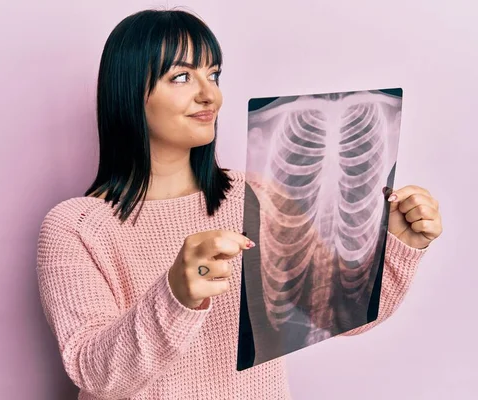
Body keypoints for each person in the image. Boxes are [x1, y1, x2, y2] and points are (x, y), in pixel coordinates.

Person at [36, 8, 443, 400]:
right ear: (128, 93)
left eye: (213, 74)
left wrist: (396, 246)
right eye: (181, 76)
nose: (209, 94)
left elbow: (337, 314)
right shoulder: (75, 226)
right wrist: (175, 293)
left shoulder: (255, 196)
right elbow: (95, 373)